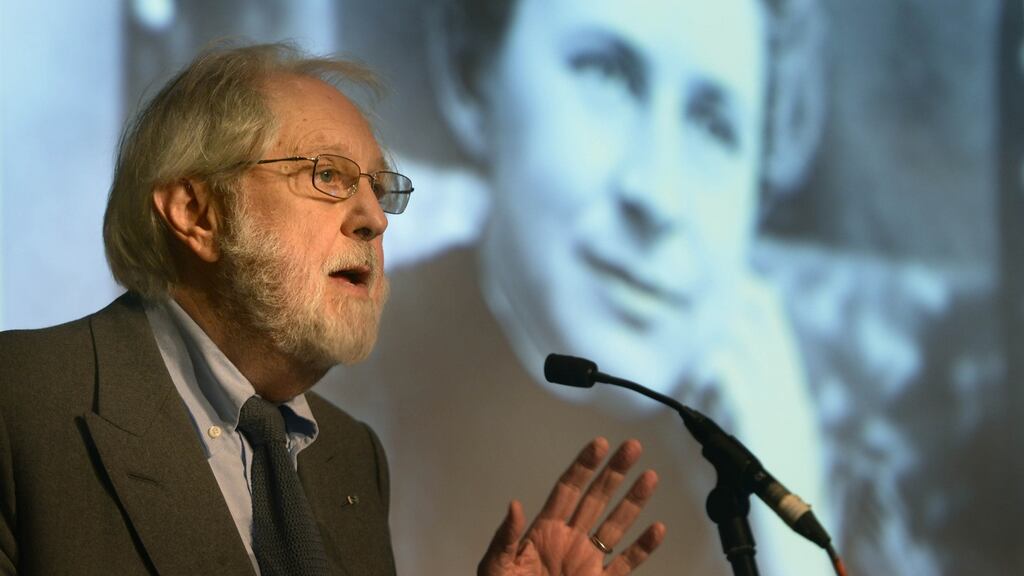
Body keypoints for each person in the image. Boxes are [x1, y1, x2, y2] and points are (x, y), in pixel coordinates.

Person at [0, 42, 666, 575]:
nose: (374, 218)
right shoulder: (21, 400)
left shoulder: (350, 455)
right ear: (196, 213)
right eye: (328, 176)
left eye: (378, 188)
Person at [330, 0, 836, 574]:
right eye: (605, 74)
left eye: (714, 126)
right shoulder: (331, 389)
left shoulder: (780, 461)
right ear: (474, 76)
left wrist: (792, 549)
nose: (658, 195)